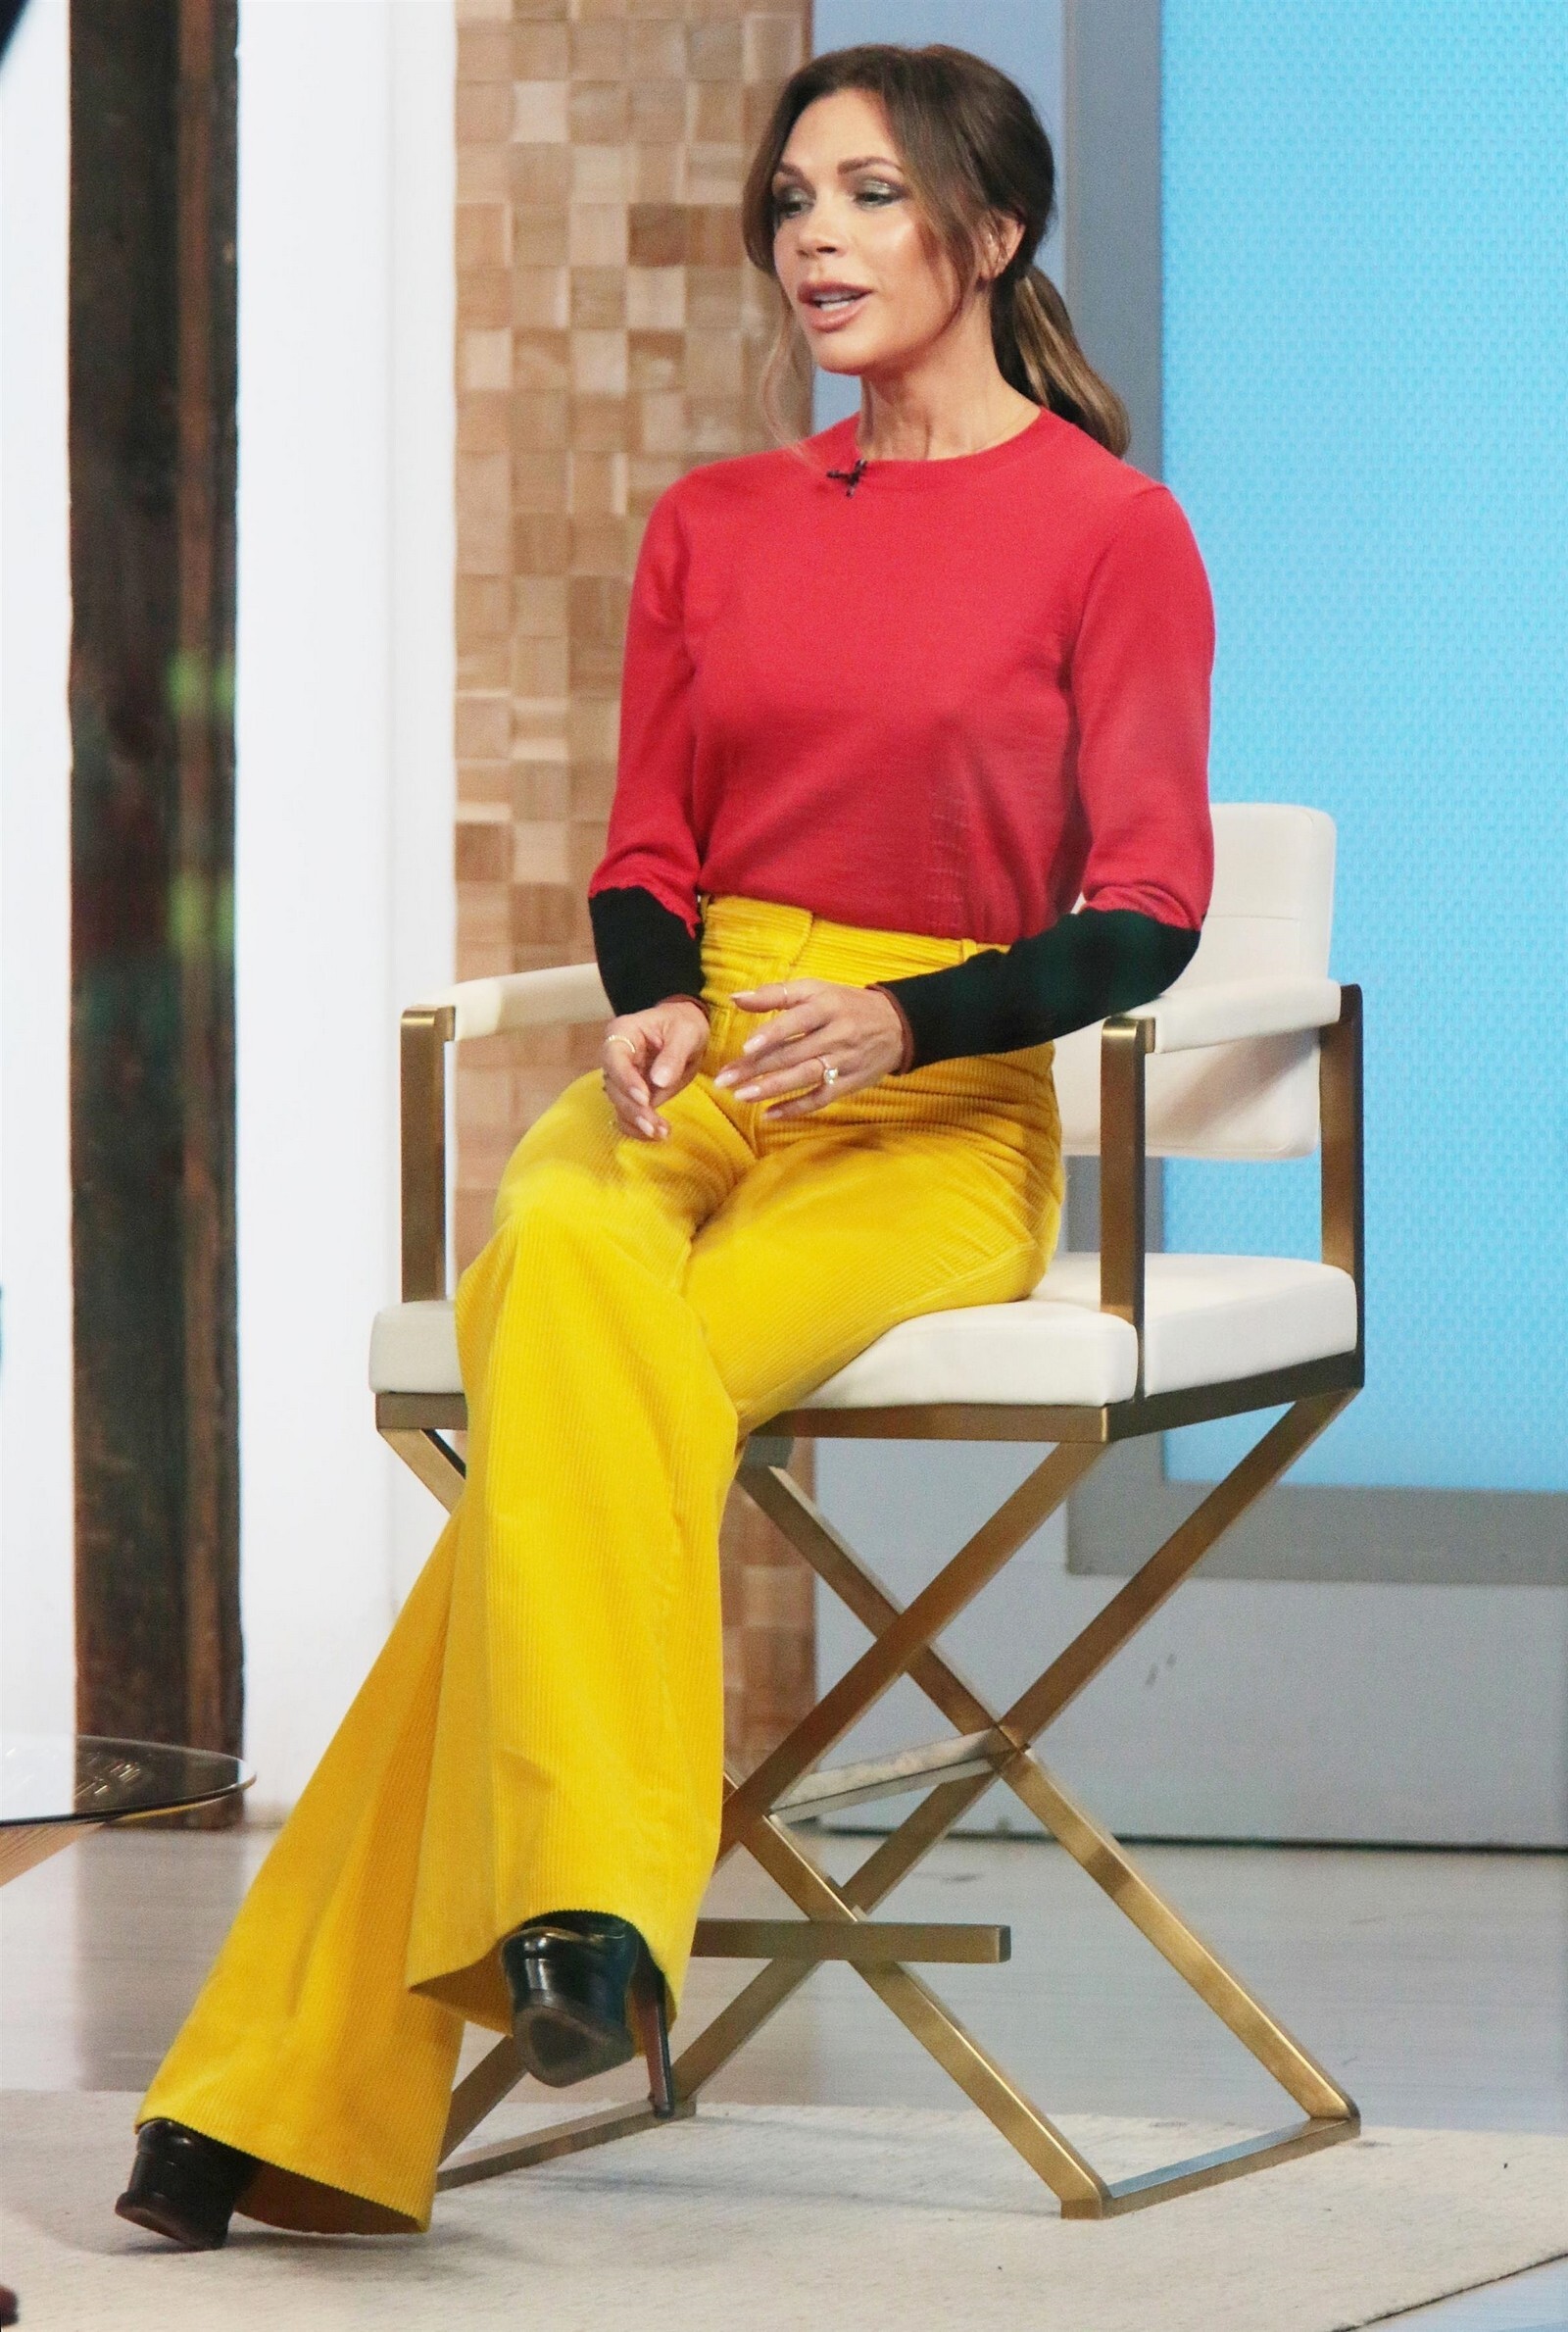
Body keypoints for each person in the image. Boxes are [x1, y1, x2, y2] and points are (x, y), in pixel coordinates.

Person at [116, 40, 1214, 2248]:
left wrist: (901, 1013)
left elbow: (1148, 912)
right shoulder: (717, 522)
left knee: (576, 1421)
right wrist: (653, 995)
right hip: (695, 1066)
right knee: (565, 1263)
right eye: (792, 199)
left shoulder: (1111, 530)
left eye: (870, 194)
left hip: (931, 1108)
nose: (814, 237)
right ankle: (583, 1921)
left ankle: (304, 2068)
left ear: (991, 232)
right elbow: (646, 851)